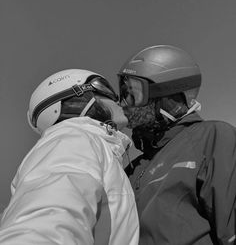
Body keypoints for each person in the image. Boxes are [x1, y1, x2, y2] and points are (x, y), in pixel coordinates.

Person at [0, 69, 139, 245]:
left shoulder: (90, 144)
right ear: (78, 98)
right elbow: (48, 219)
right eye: (104, 89)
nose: (117, 99)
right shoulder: (73, 138)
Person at [118, 45, 236, 245]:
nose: (123, 104)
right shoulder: (131, 169)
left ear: (166, 97)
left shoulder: (212, 137)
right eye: (122, 92)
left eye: (133, 93)